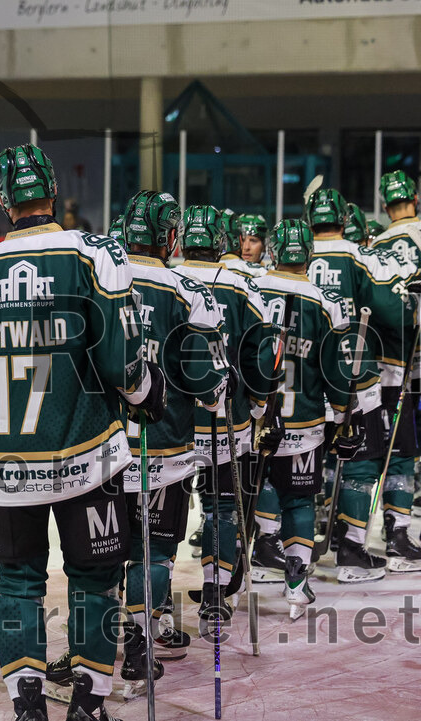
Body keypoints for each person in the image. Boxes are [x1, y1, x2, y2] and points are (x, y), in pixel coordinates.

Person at [0, 144, 166, 721]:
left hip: (2, 470)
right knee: (94, 582)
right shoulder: (95, 253)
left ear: (4, 203)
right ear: (53, 192)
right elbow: (123, 367)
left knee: (18, 584)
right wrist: (146, 391)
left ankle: (27, 706)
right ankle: (88, 703)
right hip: (88, 460)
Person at [107, 190, 227, 696]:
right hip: (166, 448)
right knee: (153, 552)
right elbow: (206, 382)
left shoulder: (101, 276)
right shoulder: (185, 290)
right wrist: (221, 384)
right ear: (169, 235)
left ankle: (114, 634)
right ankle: (141, 635)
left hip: (103, 450)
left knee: (108, 549)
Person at [305, 187, 417, 581]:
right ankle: (352, 548)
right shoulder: (357, 255)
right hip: (355, 377)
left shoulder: (293, 256)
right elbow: (392, 309)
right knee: (364, 458)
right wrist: (412, 311)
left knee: (301, 463)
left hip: (300, 380)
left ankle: (286, 548)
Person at [173, 204, 274, 633]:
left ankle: (153, 610)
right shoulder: (242, 286)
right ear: (221, 241)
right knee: (222, 508)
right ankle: (215, 596)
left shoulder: (163, 280)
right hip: (224, 424)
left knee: (163, 516)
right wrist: (257, 408)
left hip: (168, 428)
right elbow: (260, 358)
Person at [254, 219, 353, 617]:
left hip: (260, 419)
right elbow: (337, 371)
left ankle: (261, 544)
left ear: (273, 250)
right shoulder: (326, 301)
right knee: (299, 499)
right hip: (305, 422)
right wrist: (344, 417)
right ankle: (296, 583)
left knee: (252, 489)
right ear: (308, 253)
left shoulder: (254, 288)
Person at [368, 171, 421, 567]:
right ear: (415, 200)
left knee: (389, 450)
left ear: (386, 206)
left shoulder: (377, 245)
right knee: (403, 451)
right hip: (409, 362)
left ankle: (384, 530)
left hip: (388, 364)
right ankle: (398, 531)